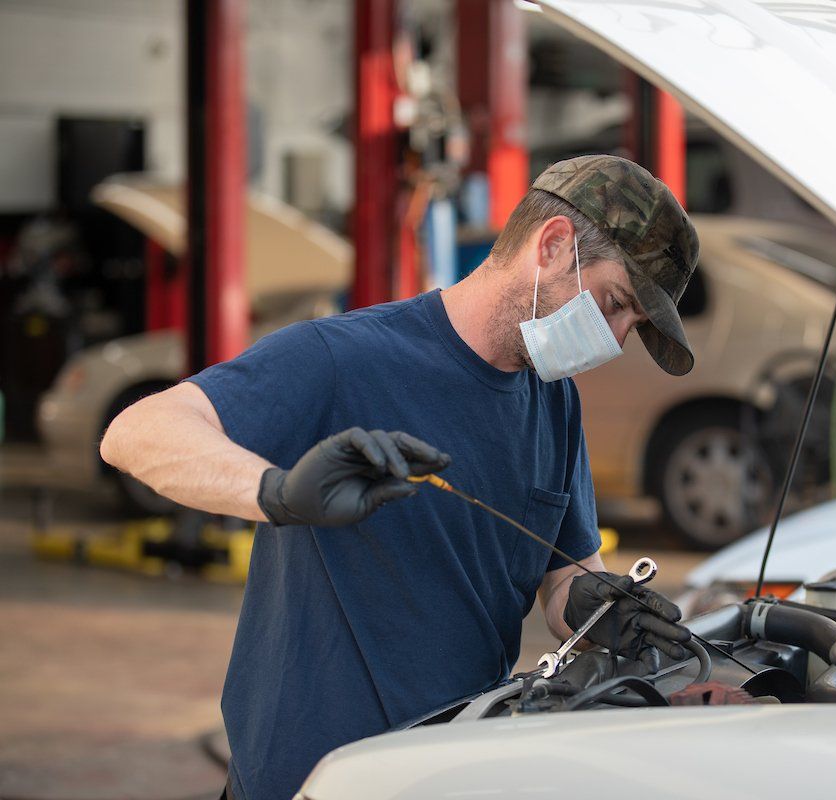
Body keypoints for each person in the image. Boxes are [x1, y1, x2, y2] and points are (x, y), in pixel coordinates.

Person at [99, 154, 701, 800]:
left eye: (631, 325)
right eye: (614, 304)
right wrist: (276, 491)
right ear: (552, 246)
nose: (612, 338)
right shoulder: (344, 361)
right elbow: (136, 433)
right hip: (308, 786)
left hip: (441, 776)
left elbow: (563, 576)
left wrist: (595, 606)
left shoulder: (555, 403)